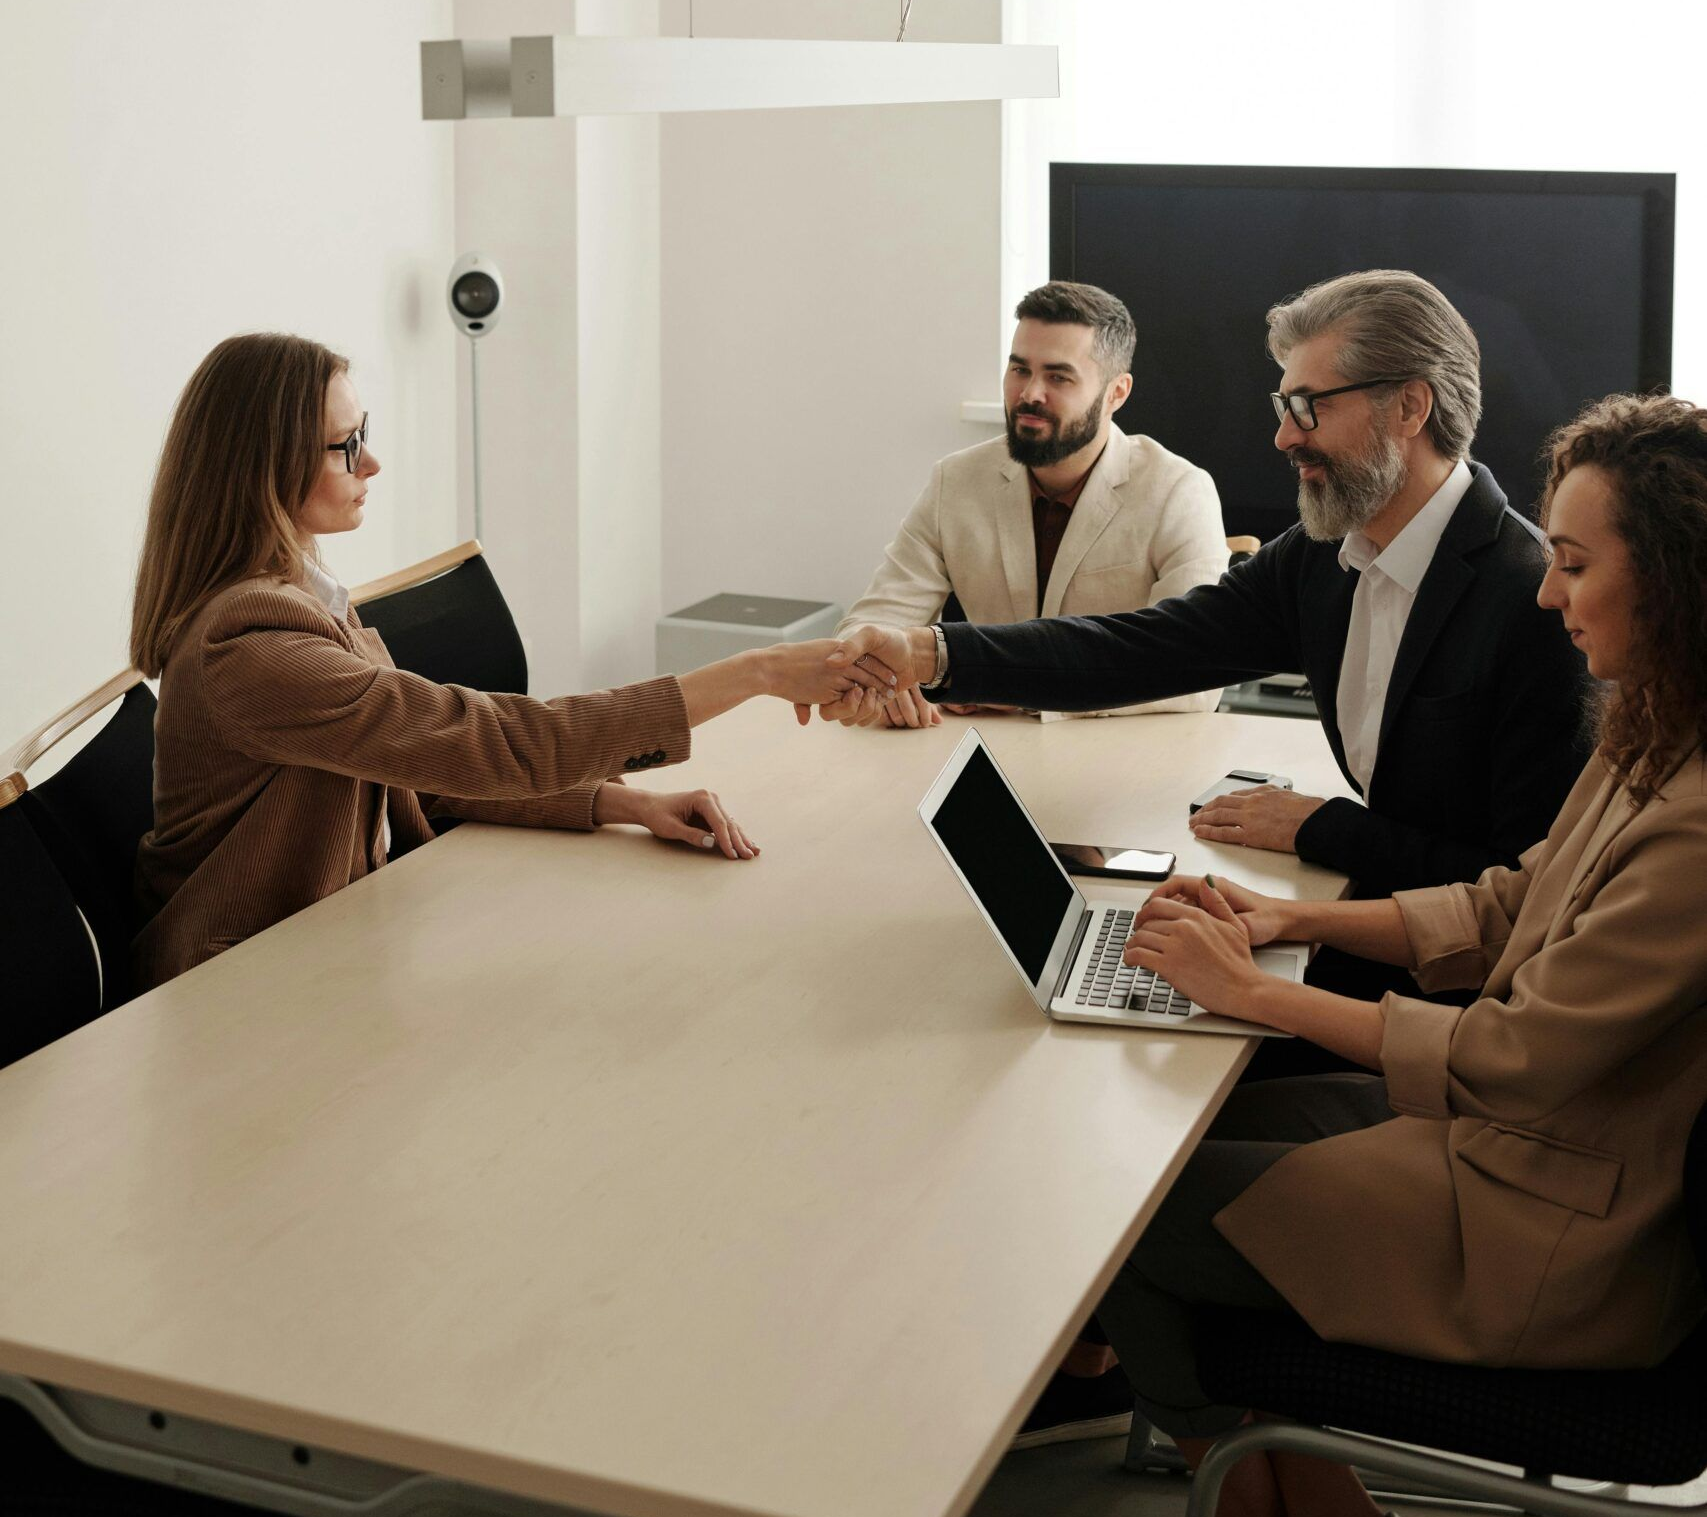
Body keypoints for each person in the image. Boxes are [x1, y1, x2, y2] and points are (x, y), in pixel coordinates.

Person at [1081, 391, 1707, 1517]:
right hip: (1524, 1152)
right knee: (1163, 1147)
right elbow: (1514, 903)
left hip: (1561, 1228)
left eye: (1571, 562)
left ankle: (1269, 1488)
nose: (1546, 589)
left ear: (1674, 581)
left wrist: (1253, 994)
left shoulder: (1697, 818)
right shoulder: (1657, 728)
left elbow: (1516, 1055)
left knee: (1112, 1216)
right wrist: (1295, 925)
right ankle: (1292, 1487)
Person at [830, 269, 1589, 1003]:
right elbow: (1142, 647)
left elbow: (1522, 890)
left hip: (1453, 996)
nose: (1281, 436)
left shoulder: (1535, 601)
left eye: (1306, 406)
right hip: (1369, 935)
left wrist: (1325, 828)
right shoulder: (1324, 556)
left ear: (1409, 407)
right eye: (1281, 403)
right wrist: (937, 654)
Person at [129, 334, 892, 993]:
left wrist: (623, 804)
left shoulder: (301, 591)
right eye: (346, 445)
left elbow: (423, 765)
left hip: (344, 939)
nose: (374, 463)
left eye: (365, 433)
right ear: (262, 465)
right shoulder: (252, 644)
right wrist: (753, 671)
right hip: (239, 992)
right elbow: (484, 741)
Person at [839, 281, 1228, 728]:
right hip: (978, 752)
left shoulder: (1178, 490)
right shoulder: (956, 480)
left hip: (1121, 757)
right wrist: (883, 676)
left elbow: (1199, 673)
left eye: (1058, 377)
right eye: (1020, 369)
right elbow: (871, 622)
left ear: (1117, 393)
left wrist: (1024, 689)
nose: (1030, 393)